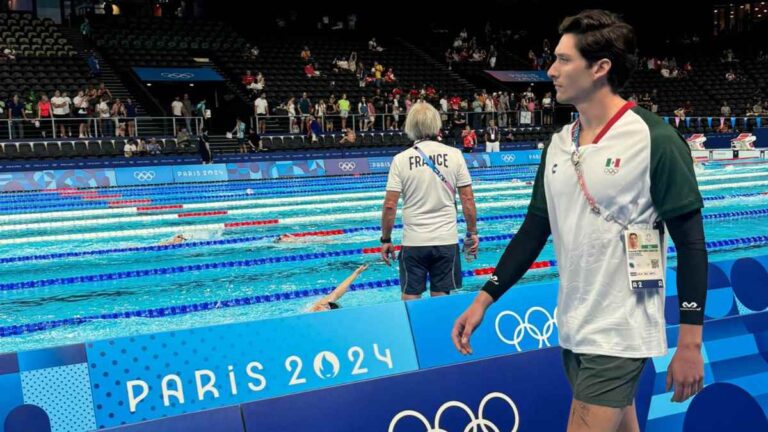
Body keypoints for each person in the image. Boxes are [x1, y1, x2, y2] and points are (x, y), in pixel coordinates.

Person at [452, 10, 707, 432]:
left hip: (619, 331)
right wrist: (484, 299)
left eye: (563, 60)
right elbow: (534, 229)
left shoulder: (654, 139)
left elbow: (692, 246)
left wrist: (690, 342)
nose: (551, 70)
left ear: (600, 68)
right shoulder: (558, 145)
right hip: (574, 326)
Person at [380, 102, 479, 300]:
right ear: (436, 125)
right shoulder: (455, 155)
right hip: (446, 240)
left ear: (410, 126)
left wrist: (386, 239)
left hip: (414, 241)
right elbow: (467, 199)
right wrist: (472, 233)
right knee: (441, 301)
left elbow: (390, 205)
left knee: (410, 297)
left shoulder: (401, 159)